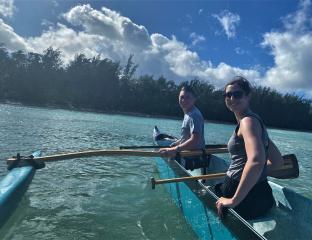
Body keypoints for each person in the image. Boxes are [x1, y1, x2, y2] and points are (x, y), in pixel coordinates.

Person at [215, 76, 279, 220]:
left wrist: (233, 200)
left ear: (248, 96)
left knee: (212, 190)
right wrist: (256, 174)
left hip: (241, 196)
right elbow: (277, 162)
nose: (231, 98)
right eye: (227, 95)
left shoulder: (247, 122)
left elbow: (256, 161)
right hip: (263, 195)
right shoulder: (257, 122)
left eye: (237, 94)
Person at [159, 86, 205, 161]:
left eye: (187, 97)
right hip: (188, 153)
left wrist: (174, 149)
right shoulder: (188, 113)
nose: (184, 100)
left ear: (194, 99)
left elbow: (195, 140)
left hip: (192, 157)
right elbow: (187, 136)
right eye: (182, 97)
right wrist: (177, 143)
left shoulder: (194, 115)